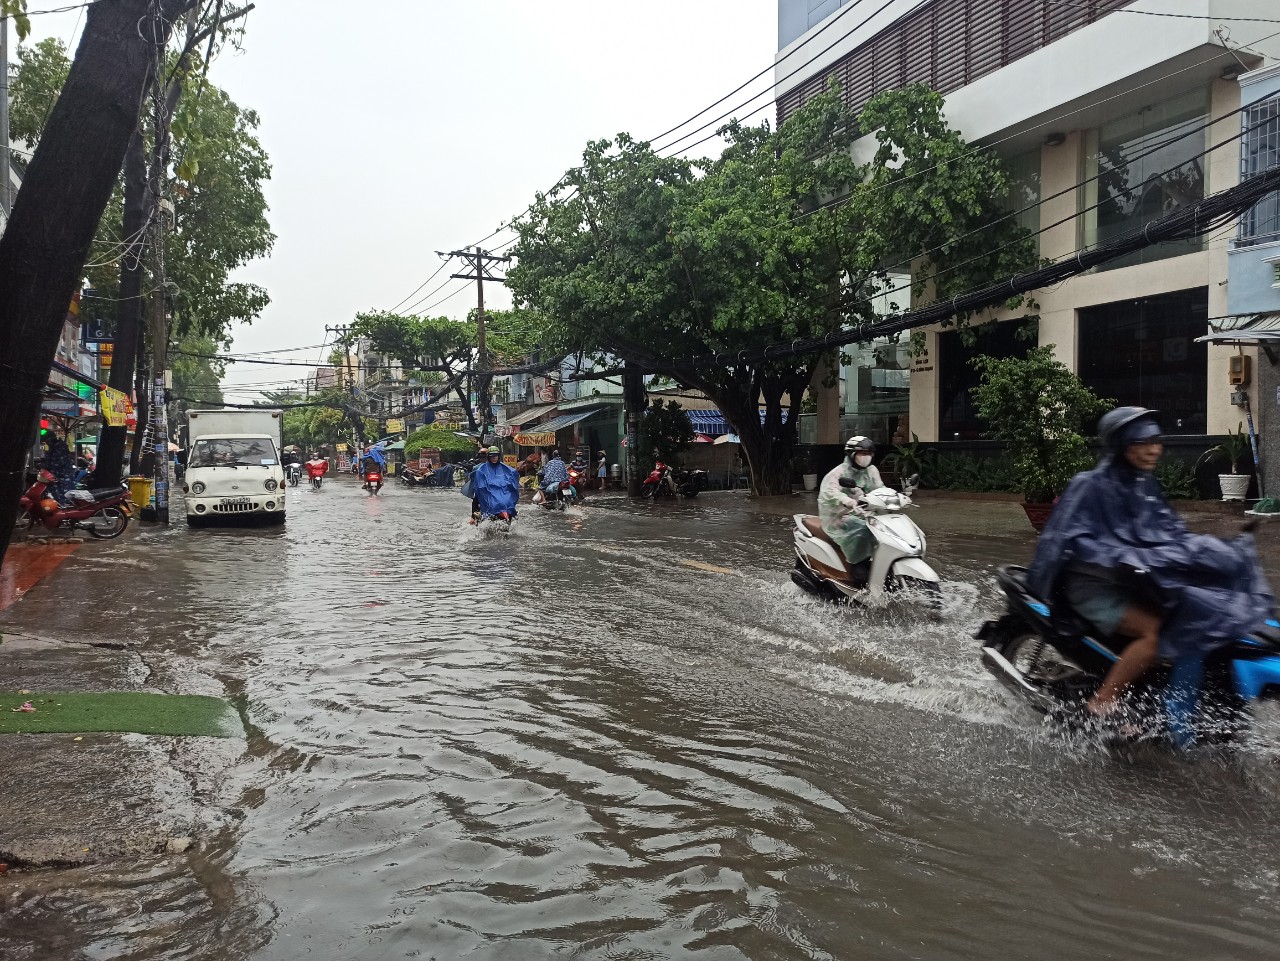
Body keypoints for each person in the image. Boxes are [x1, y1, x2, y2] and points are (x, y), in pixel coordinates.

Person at [1027, 406, 1274, 725]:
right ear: (1121, 445)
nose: (1153, 449)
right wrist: (1122, 557)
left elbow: (1171, 532)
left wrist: (1216, 550)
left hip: (1136, 579)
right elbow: (1071, 540)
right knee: (1153, 634)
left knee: (1202, 609)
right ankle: (1101, 704)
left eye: (1156, 441)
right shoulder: (1089, 485)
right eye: (1142, 443)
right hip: (1092, 584)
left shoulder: (1144, 486)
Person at [817, 436, 883, 575]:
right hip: (839, 516)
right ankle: (856, 564)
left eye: (868, 453)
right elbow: (830, 492)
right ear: (852, 455)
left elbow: (880, 489)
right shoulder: (838, 473)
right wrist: (846, 500)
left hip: (863, 513)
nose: (866, 457)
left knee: (882, 529)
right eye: (862, 453)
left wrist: (898, 497)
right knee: (864, 530)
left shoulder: (872, 471)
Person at [468, 445, 520, 521]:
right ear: (488, 457)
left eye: (496, 456)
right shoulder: (479, 469)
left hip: (502, 493)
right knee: (477, 497)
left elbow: (512, 476)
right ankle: (474, 516)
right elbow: (479, 485)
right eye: (492, 456)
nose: (494, 458)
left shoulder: (505, 468)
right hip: (487, 492)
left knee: (509, 501)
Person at [38, 436, 78, 504]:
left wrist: (45, 464)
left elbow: (56, 462)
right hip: (60, 475)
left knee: (63, 494)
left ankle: (65, 507)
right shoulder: (58, 447)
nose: (48, 444)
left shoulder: (59, 449)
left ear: (50, 440)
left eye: (48, 442)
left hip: (62, 476)